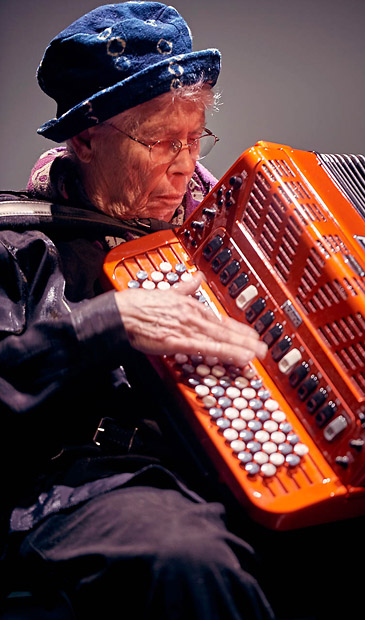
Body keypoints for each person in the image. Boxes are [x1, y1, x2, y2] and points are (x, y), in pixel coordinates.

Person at [0, 3, 275, 618]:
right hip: (90, 486)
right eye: (159, 141)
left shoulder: (222, 245)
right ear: (85, 138)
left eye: (194, 138)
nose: (184, 165)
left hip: (238, 472)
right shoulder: (18, 243)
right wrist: (110, 322)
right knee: (184, 556)